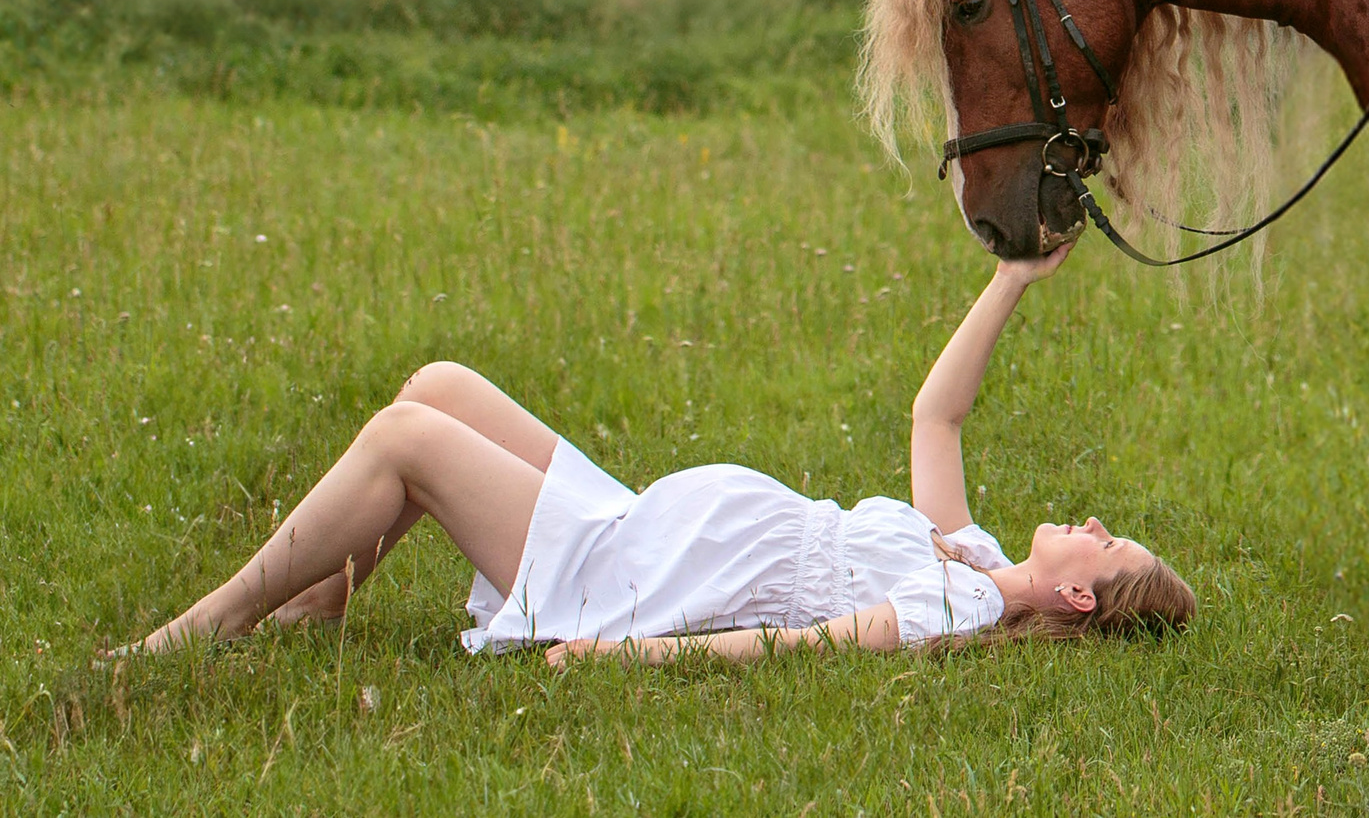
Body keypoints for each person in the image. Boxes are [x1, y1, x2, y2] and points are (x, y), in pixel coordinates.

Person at [116, 239, 1193, 660]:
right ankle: (323, 595)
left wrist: (611, 658)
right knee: (441, 384)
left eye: (1104, 545)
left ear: (1080, 601)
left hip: (622, 579)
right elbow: (935, 419)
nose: (1091, 524)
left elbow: (791, 648)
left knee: (407, 437)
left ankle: (206, 628)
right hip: (635, 520)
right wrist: (1010, 280)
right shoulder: (968, 551)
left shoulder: (947, 611)